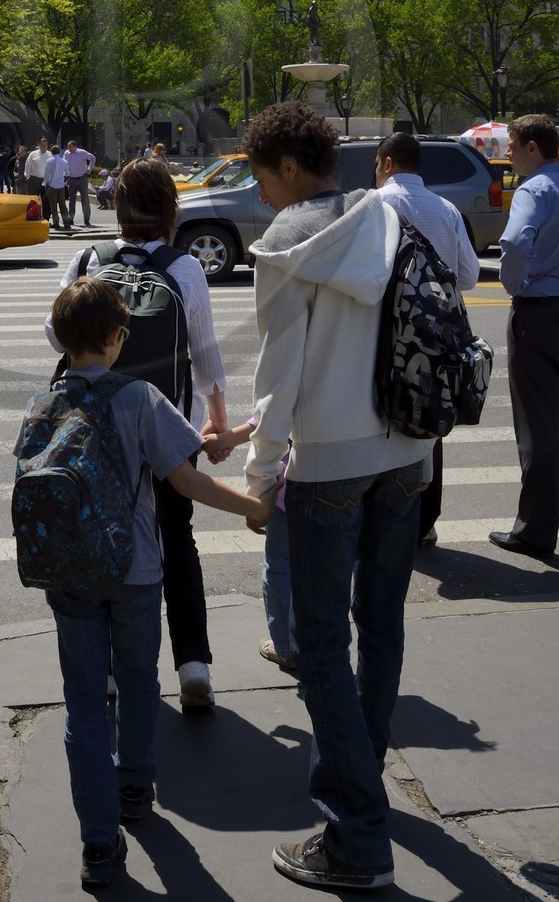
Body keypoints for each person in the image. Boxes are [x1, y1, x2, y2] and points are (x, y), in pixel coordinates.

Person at [207, 101, 433, 891]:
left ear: (291, 168)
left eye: (262, 177)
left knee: (321, 651)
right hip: (410, 450)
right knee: (381, 626)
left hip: (330, 464)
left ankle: (356, 836)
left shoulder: (284, 247)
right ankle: (362, 784)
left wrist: (259, 482)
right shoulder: (394, 218)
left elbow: (279, 380)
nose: (260, 194)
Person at [20, 275, 272, 889]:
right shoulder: (138, 398)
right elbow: (188, 483)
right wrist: (253, 508)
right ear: (115, 338)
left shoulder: (41, 404)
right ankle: (134, 786)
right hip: (133, 572)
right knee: (136, 683)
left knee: (83, 704)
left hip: (69, 575)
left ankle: (98, 845)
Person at [46, 157, 231, 709]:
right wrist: (217, 422)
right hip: (166, 430)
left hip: (93, 431)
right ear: (169, 208)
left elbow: (57, 335)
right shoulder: (185, 268)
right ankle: (193, 664)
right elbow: (205, 356)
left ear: (119, 209)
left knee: (98, 538)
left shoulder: (86, 257)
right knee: (176, 539)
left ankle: (105, 671)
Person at [490, 113, 559, 558]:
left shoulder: (534, 189)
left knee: (537, 426)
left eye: (513, 146)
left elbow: (516, 244)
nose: (509, 154)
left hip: (541, 316)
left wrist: (516, 285)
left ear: (532, 148)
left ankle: (535, 531)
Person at [375, 131, 479, 547]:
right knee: (428, 418)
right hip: (438, 334)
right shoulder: (448, 209)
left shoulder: (375, 205)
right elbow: (469, 276)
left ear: (386, 163)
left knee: (383, 417)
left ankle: (385, 516)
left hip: (384, 332)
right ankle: (423, 523)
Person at [63, 138, 97, 228]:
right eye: (68, 147)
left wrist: (90, 169)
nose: (68, 148)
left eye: (70, 147)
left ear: (75, 146)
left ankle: (86, 219)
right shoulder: (66, 154)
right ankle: (71, 219)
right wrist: (65, 177)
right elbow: (64, 164)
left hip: (82, 178)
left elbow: (93, 158)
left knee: (85, 199)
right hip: (71, 179)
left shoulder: (82, 152)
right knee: (72, 200)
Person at [43, 146, 73, 230]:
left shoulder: (49, 161)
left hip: (52, 185)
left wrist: (45, 183)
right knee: (63, 205)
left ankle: (56, 223)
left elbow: (46, 174)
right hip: (61, 185)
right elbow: (67, 173)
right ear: (59, 152)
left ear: (52, 152)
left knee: (53, 205)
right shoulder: (64, 161)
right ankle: (66, 222)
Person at [24, 136, 51, 202]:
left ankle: (46, 213)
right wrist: (28, 177)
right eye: (42, 144)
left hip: (46, 180)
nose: (44, 146)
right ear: (39, 145)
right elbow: (27, 166)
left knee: (46, 201)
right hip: (34, 180)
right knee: (33, 200)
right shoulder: (33, 154)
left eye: (45, 144)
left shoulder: (50, 155)